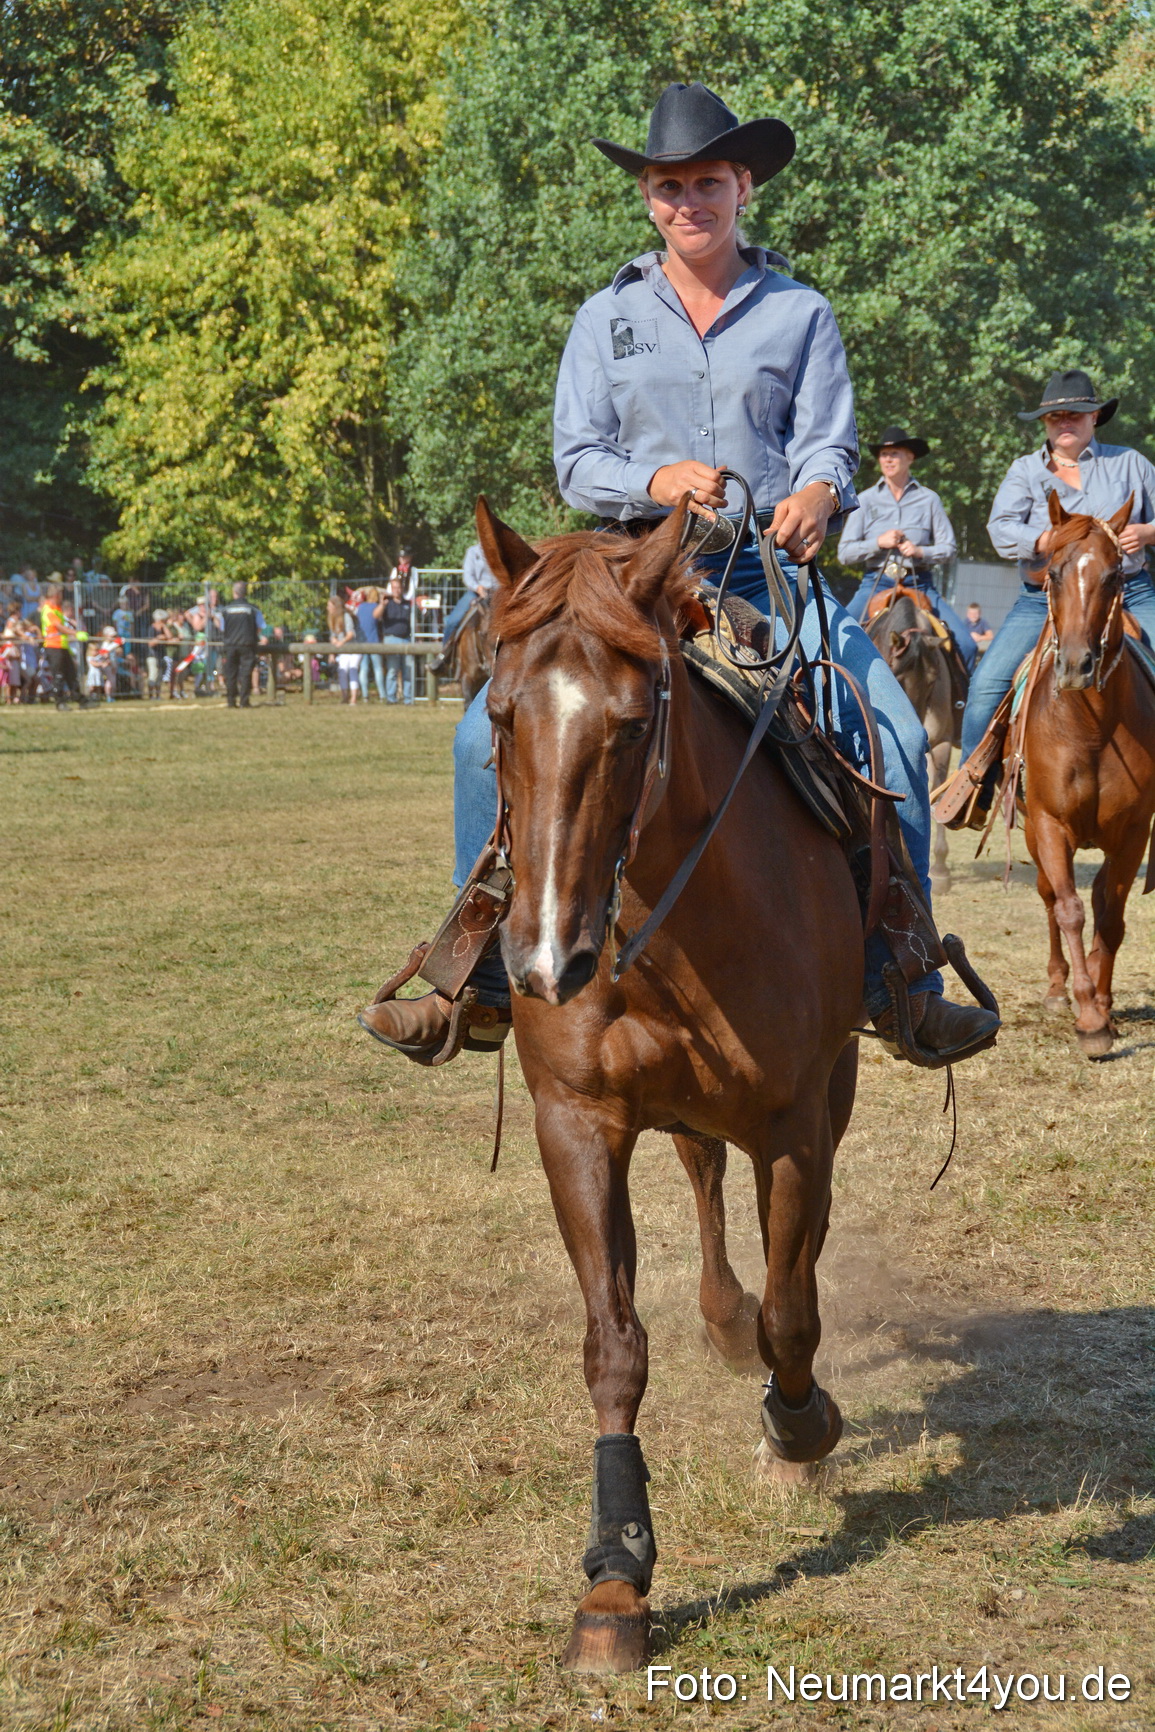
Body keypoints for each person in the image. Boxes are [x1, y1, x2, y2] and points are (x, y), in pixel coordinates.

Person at [360, 81, 999, 1067]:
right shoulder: (602, 318)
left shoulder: (801, 314)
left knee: (903, 737)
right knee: (475, 742)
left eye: (708, 181)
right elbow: (576, 460)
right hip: (627, 575)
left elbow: (828, 446)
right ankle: (475, 976)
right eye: (669, 186)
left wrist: (819, 496)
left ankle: (902, 977)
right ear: (649, 195)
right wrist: (654, 476)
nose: (687, 201)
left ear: (744, 186)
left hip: (761, 573)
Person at [958, 369, 1155, 766]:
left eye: (1075, 414)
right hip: (1044, 598)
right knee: (985, 686)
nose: (1065, 422)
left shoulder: (1130, 463)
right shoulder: (1025, 470)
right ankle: (971, 783)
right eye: (1055, 416)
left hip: (1129, 592)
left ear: (1094, 417)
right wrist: (1049, 540)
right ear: (1045, 422)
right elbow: (1001, 530)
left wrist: (1147, 531)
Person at [838, 427, 974, 671]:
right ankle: (830, 703)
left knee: (966, 644)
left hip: (920, 584)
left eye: (895, 453)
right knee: (836, 635)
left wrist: (920, 551)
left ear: (910, 457)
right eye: (884, 454)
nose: (888, 459)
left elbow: (949, 548)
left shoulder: (929, 499)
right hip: (876, 583)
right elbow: (844, 553)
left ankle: (960, 705)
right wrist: (878, 542)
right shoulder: (866, 499)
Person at [437, 542, 498, 653]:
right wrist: (478, 588)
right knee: (452, 621)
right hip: (474, 593)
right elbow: (468, 576)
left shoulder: (499, 552)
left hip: (496, 594)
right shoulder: (473, 552)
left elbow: (502, 575)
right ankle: (444, 654)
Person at [220, 580, 266, 707]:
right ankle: (244, 702)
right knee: (246, 674)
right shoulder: (253, 609)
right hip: (248, 644)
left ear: (234, 592)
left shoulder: (225, 610)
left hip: (230, 645)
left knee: (231, 674)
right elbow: (260, 627)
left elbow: (223, 628)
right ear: (245, 593)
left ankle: (231, 702)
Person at [39, 584, 85, 707]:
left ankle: (80, 699)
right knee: (58, 675)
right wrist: (76, 633)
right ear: (56, 595)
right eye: (61, 594)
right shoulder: (48, 610)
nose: (62, 597)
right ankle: (60, 702)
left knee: (71, 674)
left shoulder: (56, 608)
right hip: (53, 647)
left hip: (62, 646)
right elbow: (59, 627)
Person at [380, 573, 414, 703]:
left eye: (399, 587)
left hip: (406, 639)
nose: (397, 590)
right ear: (391, 588)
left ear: (402, 588)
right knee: (392, 670)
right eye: (394, 587)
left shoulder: (407, 604)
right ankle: (391, 698)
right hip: (391, 639)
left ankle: (408, 699)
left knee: (408, 670)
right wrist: (382, 605)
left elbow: (413, 622)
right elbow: (376, 616)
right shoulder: (387, 604)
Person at [355, 585, 388, 702]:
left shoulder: (361, 607)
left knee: (363, 669)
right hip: (374, 641)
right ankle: (382, 694)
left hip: (362, 642)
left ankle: (365, 695)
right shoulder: (376, 606)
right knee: (378, 668)